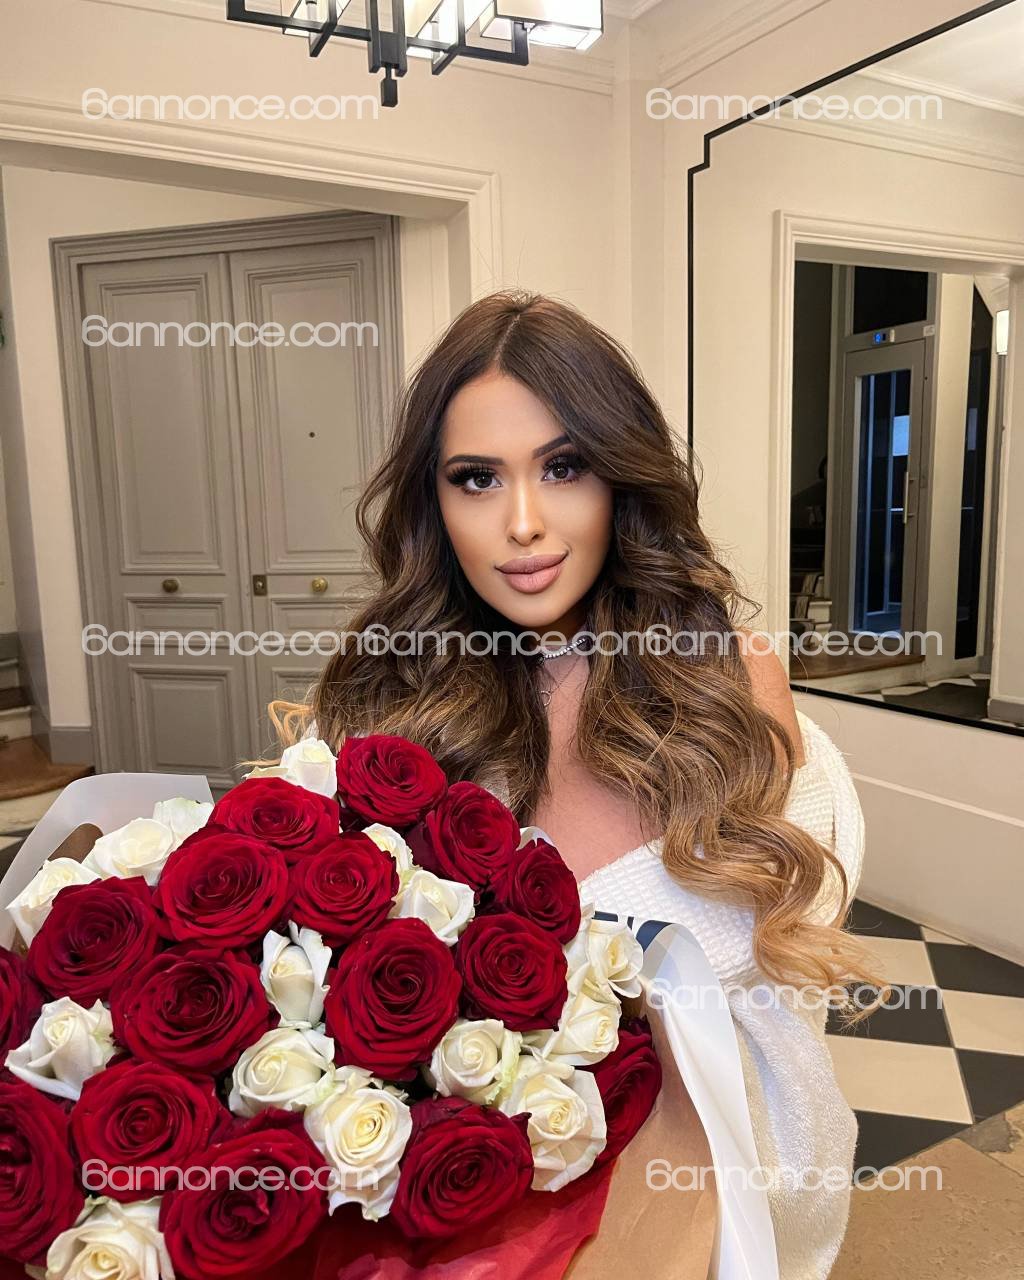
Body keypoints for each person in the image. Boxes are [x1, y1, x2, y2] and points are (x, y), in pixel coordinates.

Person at [267, 290, 882, 1279]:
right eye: (477, 478)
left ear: (620, 478)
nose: (523, 524)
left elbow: (778, 983)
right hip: (474, 1213)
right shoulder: (397, 702)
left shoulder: (724, 681)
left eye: (564, 467)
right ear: (434, 502)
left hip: (701, 1190)